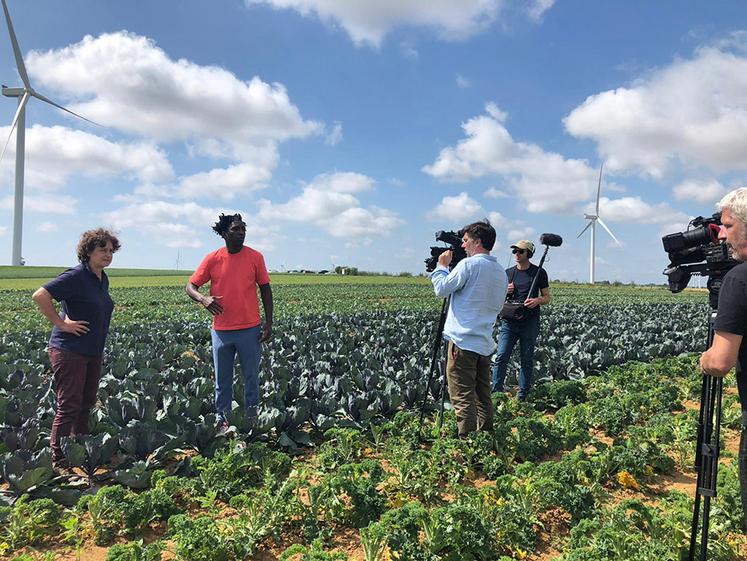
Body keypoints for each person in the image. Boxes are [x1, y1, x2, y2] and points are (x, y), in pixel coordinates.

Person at [32, 228, 120, 472]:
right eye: (102, 249)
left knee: (86, 402)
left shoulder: (101, 277)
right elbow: (40, 295)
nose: (108, 254)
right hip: (69, 349)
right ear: (88, 251)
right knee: (69, 404)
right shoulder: (76, 276)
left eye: (111, 250)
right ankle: (59, 459)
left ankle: (78, 448)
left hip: (93, 350)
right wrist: (62, 324)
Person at [186, 213, 273, 430]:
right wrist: (203, 299)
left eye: (243, 229)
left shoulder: (256, 257)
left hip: (250, 329)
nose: (241, 233)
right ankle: (222, 421)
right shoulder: (212, 258)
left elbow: (265, 289)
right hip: (221, 331)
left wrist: (269, 322)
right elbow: (190, 286)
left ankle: (252, 419)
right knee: (222, 381)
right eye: (236, 229)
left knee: (251, 378)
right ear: (224, 234)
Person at [430, 220, 508, 437]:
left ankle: (468, 444)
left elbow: (442, 289)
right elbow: (499, 305)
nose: (462, 246)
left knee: (462, 397)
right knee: (483, 396)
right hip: (484, 342)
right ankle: (486, 438)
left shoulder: (469, 265)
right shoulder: (500, 272)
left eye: (465, 241)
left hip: (462, 343)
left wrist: (442, 267)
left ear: (478, 241)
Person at [699, 187, 747, 529]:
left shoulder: (739, 279)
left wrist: (704, 358)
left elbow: (719, 362)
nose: (721, 234)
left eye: (728, 226)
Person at [491, 239, 552, 400]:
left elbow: (547, 297)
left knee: (526, 359)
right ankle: (496, 393)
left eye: (520, 251)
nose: (516, 254)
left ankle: (522, 395)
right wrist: (505, 290)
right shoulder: (508, 273)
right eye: (515, 251)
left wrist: (537, 301)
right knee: (501, 357)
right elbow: (496, 297)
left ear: (529, 254)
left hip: (529, 322)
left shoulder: (539, 272)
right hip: (509, 322)